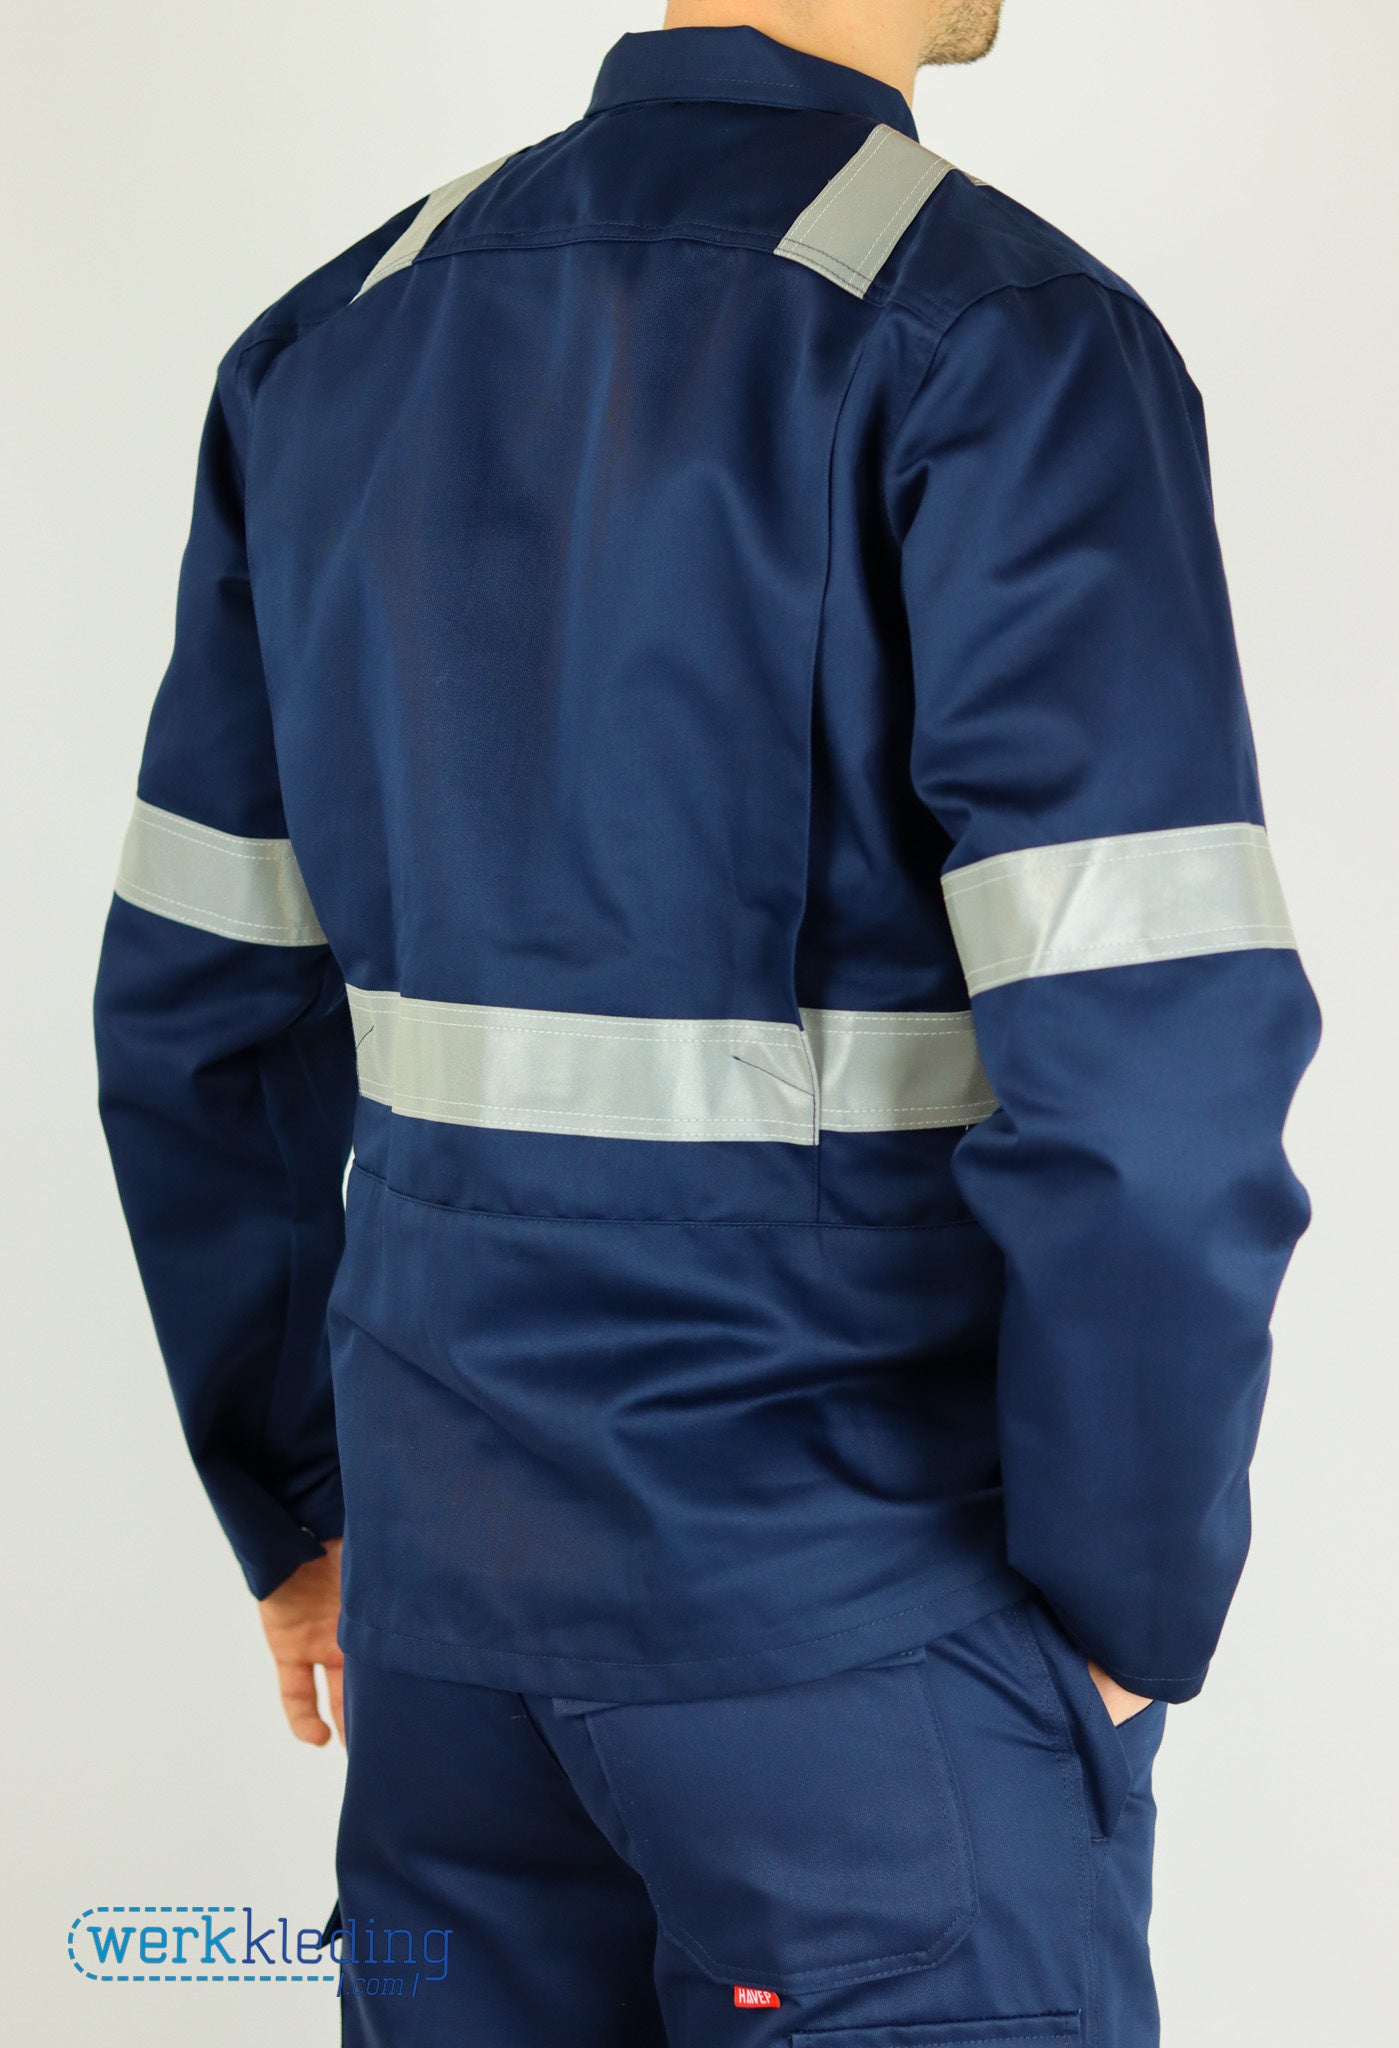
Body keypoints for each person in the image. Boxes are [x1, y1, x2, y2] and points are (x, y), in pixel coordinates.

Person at [92, 2, 1319, 2041]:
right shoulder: (992, 334)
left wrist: (303, 1517)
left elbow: (195, 1013)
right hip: (858, 1642)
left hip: (443, 1638)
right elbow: (1153, 1074)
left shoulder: (331, 344)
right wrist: (1126, 1614)